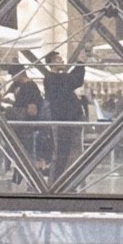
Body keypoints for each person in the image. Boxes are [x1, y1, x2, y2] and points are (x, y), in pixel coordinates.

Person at [40, 50, 86, 179]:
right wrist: (80, 63)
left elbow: (72, 80)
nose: (62, 61)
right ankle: (59, 178)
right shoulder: (54, 78)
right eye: (59, 59)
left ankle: (62, 177)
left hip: (66, 117)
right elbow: (75, 80)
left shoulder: (54, 78)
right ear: (52, 62)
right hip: (64, 118)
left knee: (65, 149)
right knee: (64, 150)